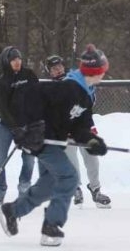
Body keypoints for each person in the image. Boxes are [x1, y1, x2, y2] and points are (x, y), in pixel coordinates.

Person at [0, 44, 110, 246]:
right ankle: (51, 226)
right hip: (42, 140)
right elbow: (31, 94)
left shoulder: (87, 93)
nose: (103, 75)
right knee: (69, 176)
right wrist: (30, 126)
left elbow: (80, 125)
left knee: (50, 184)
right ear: (95, 71)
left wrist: (91, 141)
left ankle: (12, 211)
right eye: (102, 71)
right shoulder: (68, 87)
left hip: (54, 141)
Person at [45, 55, 112, 209]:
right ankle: (76, 189)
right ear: (50, 72)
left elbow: (90, 99)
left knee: (92, 159)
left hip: (84, 126)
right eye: (54, 69)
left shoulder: (76, 78)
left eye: (60, 66)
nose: (58, 70)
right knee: (71, 160)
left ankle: (96, 189)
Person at [0, 46, 38, 212]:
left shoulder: (30, 76)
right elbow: (3, 109)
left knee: (29, 159)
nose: (17, 62)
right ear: (7, 62)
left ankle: (24, 190)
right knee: (0, 157)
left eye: (19, 59)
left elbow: (37, 99)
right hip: (8, 126)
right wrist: (15, 128)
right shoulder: (2, 83)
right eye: (13, 60)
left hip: (29, 125)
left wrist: (33, 123)